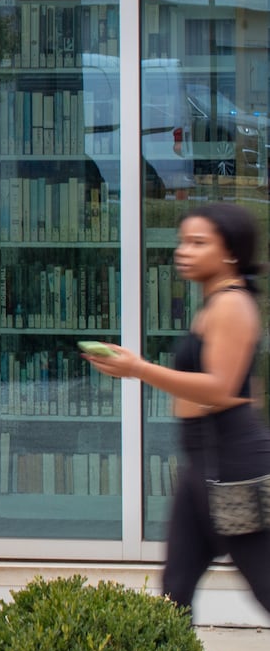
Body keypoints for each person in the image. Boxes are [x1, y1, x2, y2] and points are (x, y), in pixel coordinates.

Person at [84, 202, 270, 615]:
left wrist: (138, 368)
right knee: (175, 590)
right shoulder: (218, 303)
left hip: (233, 468)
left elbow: (221, 390)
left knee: (265, 585)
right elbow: (248, 388)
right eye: (182, 241)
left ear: (231, 253)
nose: (183, 251)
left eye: (198, 242)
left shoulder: (231, 305)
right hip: (203, 465)